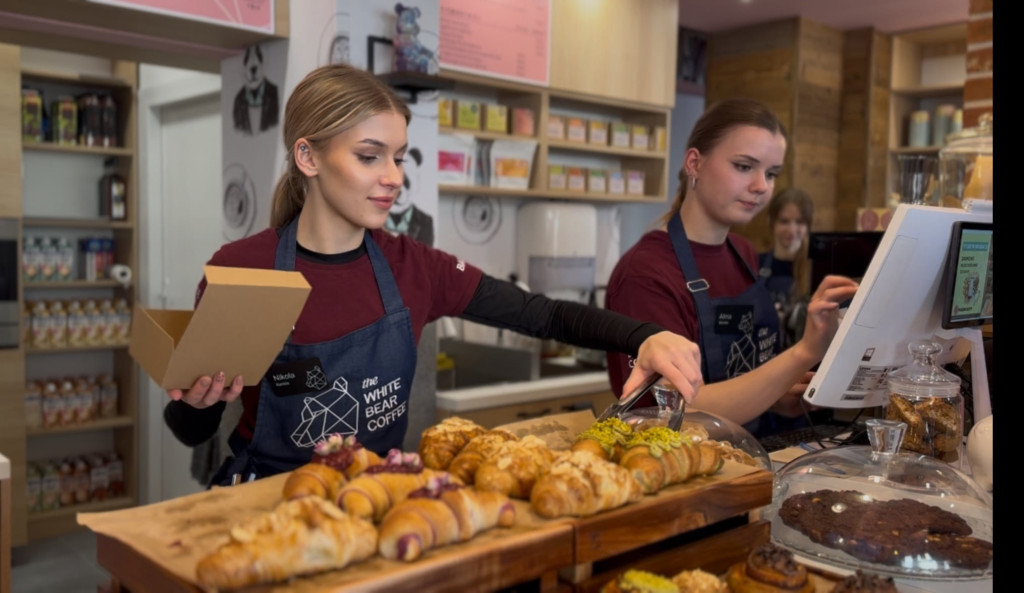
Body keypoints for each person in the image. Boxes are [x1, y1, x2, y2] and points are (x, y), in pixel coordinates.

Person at [161, 64, 703, 486]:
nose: (393, 177)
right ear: (308, 156)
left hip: (376, 503)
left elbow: (541, 313)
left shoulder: (413, 265)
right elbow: (189, 430)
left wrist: (644, 336)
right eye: (370, 156)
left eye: (399, 157)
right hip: (268, 505)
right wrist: (200, 404)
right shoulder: (242, 268)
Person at [604, 98, 858, 440]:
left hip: (750, 458)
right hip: (680, 471)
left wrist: (776, 397)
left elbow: (739, 379)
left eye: (771, 173)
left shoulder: (743, 253)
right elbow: (678, 412)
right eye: (743, 166)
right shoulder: (645, 275)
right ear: (694, 163)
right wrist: (805, 351)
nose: (761, 186)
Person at [758, 187, 813, 350]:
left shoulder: (815, 270)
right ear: (771, 222)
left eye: (799, 222)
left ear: (808, 226)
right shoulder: (755, 264)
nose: (791, 229)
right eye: (784, 221)